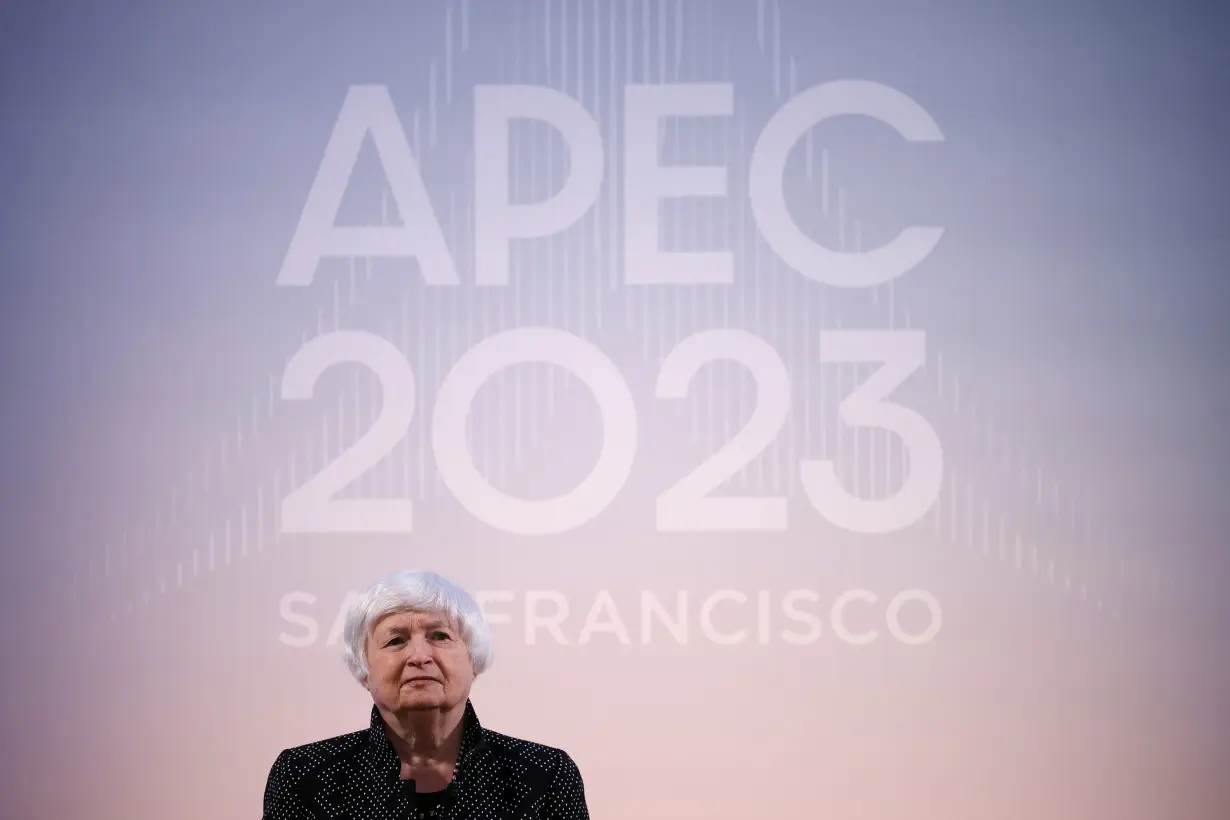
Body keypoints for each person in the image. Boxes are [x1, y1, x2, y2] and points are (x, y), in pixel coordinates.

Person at [262, 569, 590, 819]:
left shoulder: (545, 774)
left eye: (439, 635)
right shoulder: (304, 774)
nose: (419, 656)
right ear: (364, 671)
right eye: (396, 641)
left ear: (474, 660)